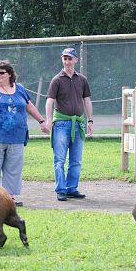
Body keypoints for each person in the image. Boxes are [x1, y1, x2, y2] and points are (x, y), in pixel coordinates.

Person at [0, 60, 49, 206]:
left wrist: (41, 121)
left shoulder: (19, 89)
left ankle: (9, 198)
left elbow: (29, 106)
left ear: (9, 74)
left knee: (13, 169)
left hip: (16, 137)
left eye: (2, 72)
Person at [45, 48, 93, 202]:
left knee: (76, 160)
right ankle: (61, 189)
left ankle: (72, 188)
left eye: (70, 59)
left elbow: (86, 100)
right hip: (61, 124)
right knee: (59, 159)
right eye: (64, 58)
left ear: (75, 60)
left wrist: (90, 120)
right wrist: (48, 120)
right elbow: (50, 101)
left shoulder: (82, 80)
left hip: (78, 124)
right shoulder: (57, 80)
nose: (67, 62)